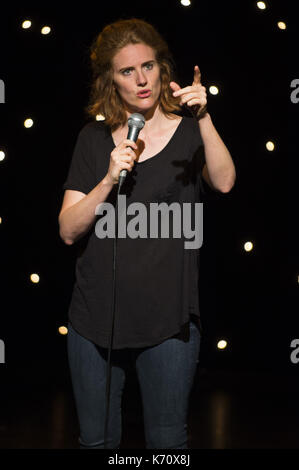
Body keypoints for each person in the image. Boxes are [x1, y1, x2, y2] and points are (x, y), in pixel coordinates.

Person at [58, 18, 236, 449]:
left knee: (167, 443)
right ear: (109, 81)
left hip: (168, 324)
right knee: (97, 442)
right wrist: (106, 179)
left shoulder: (192, 132)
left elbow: (225, 181)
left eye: (149, 66)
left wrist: (205, 116)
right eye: (127, 71)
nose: (142, 80)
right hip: (94, 321)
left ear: (163, 68)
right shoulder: (94, 139)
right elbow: (68, 230)